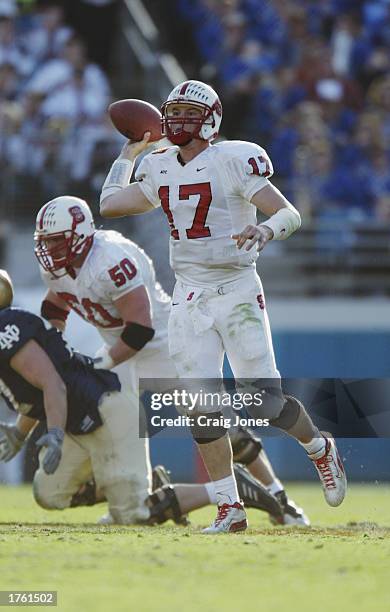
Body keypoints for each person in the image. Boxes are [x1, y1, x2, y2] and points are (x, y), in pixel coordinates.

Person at [99, 79, 347, 533]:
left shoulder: (233, 159)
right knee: (199, 404)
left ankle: (319, 448)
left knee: (265, 404)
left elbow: (288, 213)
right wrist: (127, 154)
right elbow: (110, 204)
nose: (177, 121)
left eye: (188, 113)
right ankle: (229, 509)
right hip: (189, 292)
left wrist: (265, 231)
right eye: (172, 112)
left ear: (210, 121)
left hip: (236, 287)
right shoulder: (158, 166)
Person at [34, 195, 309, 526]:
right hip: (117, 351)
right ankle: (133, 494)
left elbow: (139, 330)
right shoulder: (58, 267)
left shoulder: (111, 258)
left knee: (217, 423)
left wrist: (99, 365)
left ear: (80, 235)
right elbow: (55, 306)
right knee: (113, 431)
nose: (49, 249)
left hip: (163, 344)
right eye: (45, 242)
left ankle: (279, 496)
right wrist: (55, 342)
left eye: (55, 241)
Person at [0, 268, 285, 527]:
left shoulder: (6, 328)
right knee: (49, 493)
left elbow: (53, 385)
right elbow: (38, 392)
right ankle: (143, 486)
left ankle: (227, 490)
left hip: (104, 411)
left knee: (133, 514)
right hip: (78, 422)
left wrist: (53, 433)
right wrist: (19, 433)